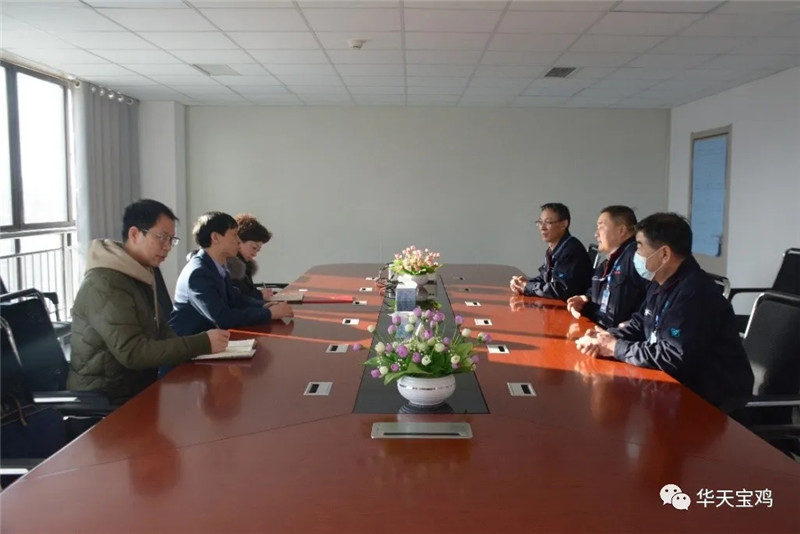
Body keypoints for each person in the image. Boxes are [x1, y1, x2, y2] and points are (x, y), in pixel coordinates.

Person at [575, 213, 754, 411]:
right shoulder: (659, 282)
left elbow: (672, 355)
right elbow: (639, 323)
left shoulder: (695, 293)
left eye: (639, 246)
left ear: (664, 254)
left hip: (710, 403)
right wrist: (604, 338)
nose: (635, 254)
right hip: (672, 391)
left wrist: (615, 347)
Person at [67, 199, 230, 404]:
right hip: (105, 399)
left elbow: (163, 331)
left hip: (137, 387)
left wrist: (203, 349)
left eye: (171, 239)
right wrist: (202, 343)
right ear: (135, 234)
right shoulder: (105, 283)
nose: (167, 247)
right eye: (162, 237)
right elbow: (133, 353)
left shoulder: (139, 273)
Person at [170, 211, 293, 336]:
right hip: (192, 343)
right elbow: (222, 318)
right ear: (215, 237)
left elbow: (235, 299)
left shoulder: (217, 266)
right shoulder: (198, 273)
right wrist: (269, 314)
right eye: (234, 235)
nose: (239, 241)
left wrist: (265, 306)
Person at [567, 206, 648, 329]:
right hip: (600, 330)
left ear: (621, 230)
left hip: (619, 336)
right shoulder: (609, 261)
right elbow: (599, 291)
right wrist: (584, 300)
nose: (596, 234)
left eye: (601, 227)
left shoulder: (637, 258)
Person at [510, 202, 592, 300]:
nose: (542, 227)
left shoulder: (571, 250)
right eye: (540, 222)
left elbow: (561, 289)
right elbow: (546, 278)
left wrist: (528, 287)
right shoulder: (554, 248)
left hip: (569, 306)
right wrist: (525, 283)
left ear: (564, 224)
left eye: (548, 222)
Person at [227, 214, 274, 301]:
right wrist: (260, 295)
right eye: (254, 248)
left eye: (258, 250)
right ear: (239, 241)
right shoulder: (230, 267)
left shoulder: (244, 265)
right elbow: (237, 300)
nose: (255, 254)